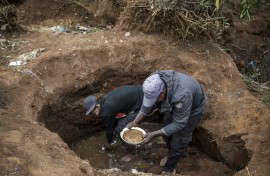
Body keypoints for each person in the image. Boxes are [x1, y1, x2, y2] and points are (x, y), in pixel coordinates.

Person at [126, 70, 206, 174]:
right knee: (167, 131)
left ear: (162, 92)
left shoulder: (181, 96)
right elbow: (148, 105)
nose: (153, 101)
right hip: (171, 102)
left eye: (155, 98)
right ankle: (170, 152)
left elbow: (180, 123)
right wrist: (135, 122)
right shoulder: (153, 80)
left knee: (179, 140)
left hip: (192, 110)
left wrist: (154, 134)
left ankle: (170, 168)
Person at [83, 85, 144, 161]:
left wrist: (109, 143)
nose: (94, 114)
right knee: (120, 122)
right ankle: (123, 143)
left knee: (121, 129)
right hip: (141, 92)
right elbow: (113, 121)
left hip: (145, 103)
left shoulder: (106, 111)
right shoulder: (105, 101)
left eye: (93, 112)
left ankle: (132, 153)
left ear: (97, 106)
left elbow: (109, 129)